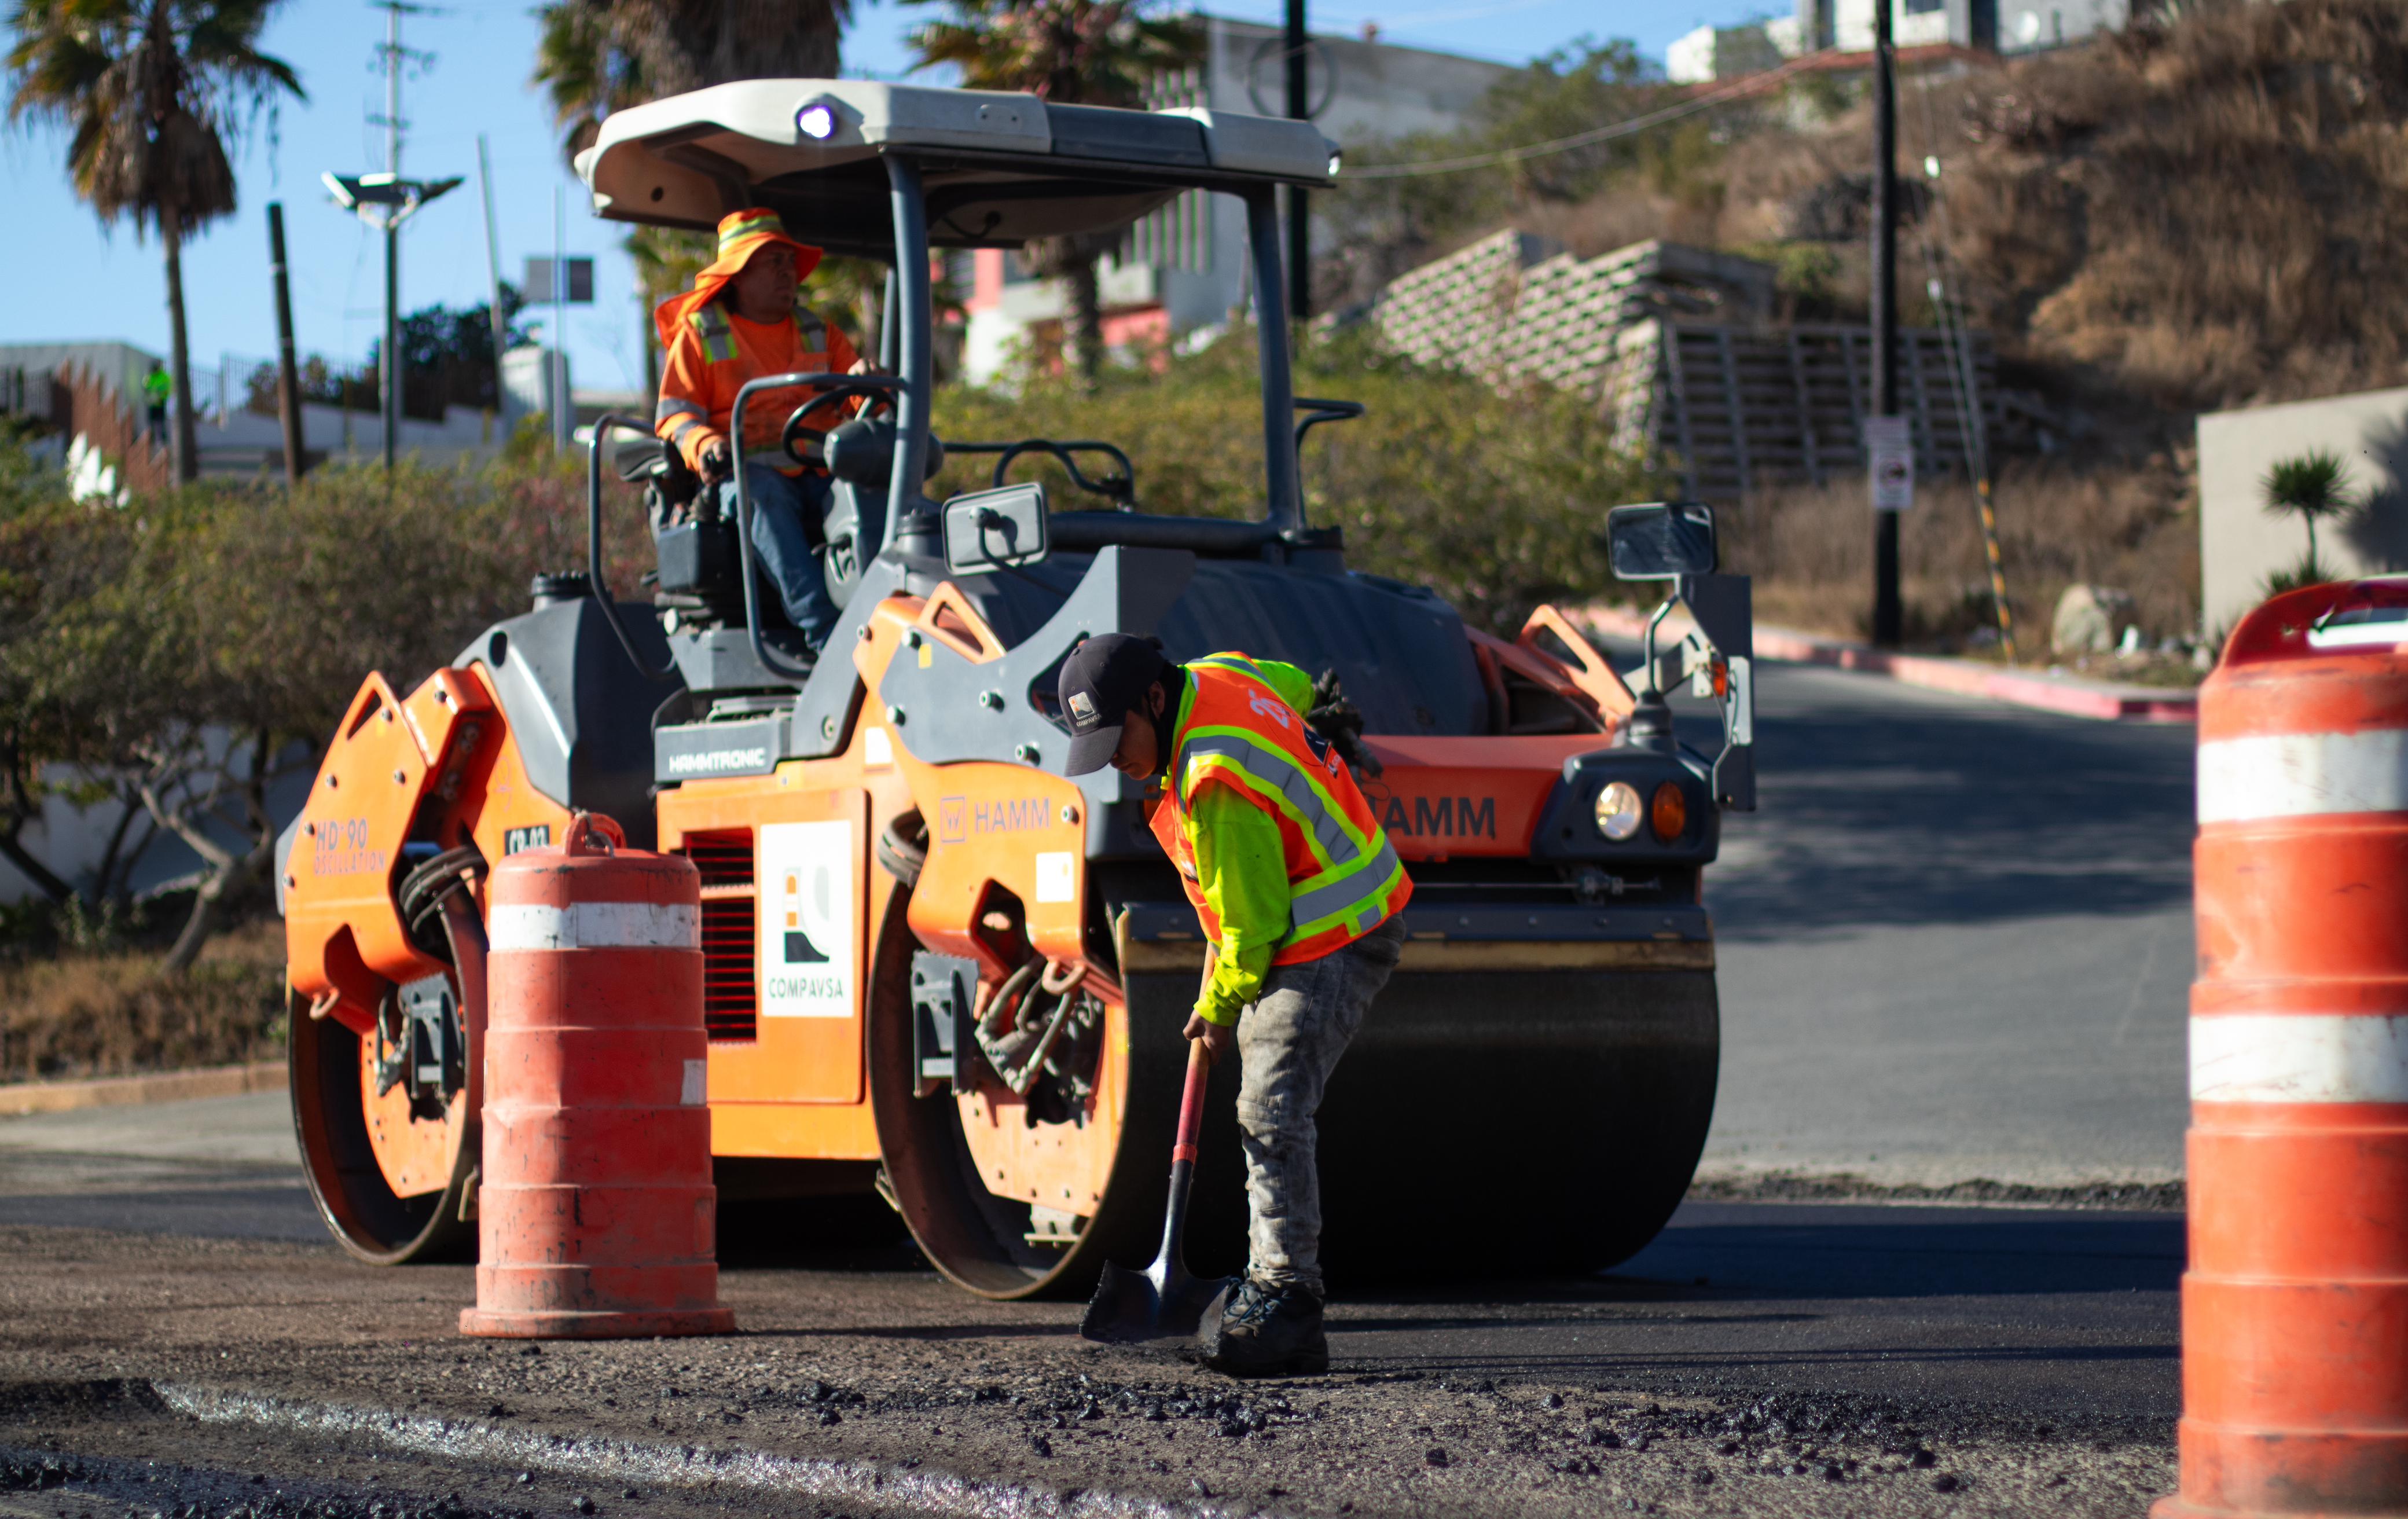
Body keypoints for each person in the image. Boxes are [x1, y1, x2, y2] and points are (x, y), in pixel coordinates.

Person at [1059, 634, 1412, 1377]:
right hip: (1314, 913)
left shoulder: (1211, 775)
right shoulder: (1216, 673)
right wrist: (1322, 714)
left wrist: (1215, 1009)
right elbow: (1289, 680)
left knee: (1269, 1108)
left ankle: (1288, 1301)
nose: (1112, 761)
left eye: (1114, 736)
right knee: (1265, 1102)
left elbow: (1251, 931)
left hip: (1331, 929)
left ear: (1154, 699)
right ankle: (1268, 1278)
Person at [652, 207, 865, 652]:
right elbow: (676, 415)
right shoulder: (700, 335)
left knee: (871, 494)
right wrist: (705, 443)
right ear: (739, 275)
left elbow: (860, 394)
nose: (789, 272)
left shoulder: (818, 332)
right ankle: (827, 636)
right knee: (762, 498)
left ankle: (880, 614)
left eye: (791, 262)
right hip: (746, 477)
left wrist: (870, 381)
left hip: (820, 472)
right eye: (775, 263)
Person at [141, 361, 170, 447]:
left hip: (160, 403)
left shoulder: (164, 376)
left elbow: (167, 389)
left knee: (160, 421)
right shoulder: (149, 377)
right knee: (151, 421)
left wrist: (161, 396)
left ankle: (161, 439)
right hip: (152, 403)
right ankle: (151, 439)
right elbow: (145, 387)